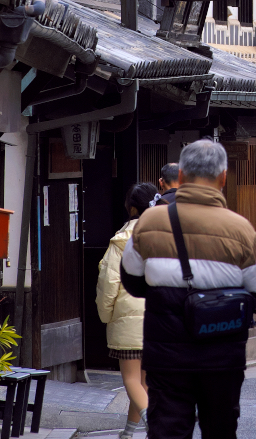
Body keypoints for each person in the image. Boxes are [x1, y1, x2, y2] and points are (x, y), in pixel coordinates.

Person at [121, 139, 256, 439]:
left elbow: (133, 281)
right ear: (223, 178)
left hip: (166, 355)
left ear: (182, 175)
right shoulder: (241, 229)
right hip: (222, 356)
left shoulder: (149, 222)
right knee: (220, 430)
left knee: (168, 430)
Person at [96, 181, 158, 437]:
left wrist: (106, 315)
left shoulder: (121, 242)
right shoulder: (165, 236)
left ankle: (155, 425)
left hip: (128, 318)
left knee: (131, 380)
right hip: (159, 319)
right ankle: (128, 433)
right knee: (143, 383)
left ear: (131, 208)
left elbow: (108, 282)